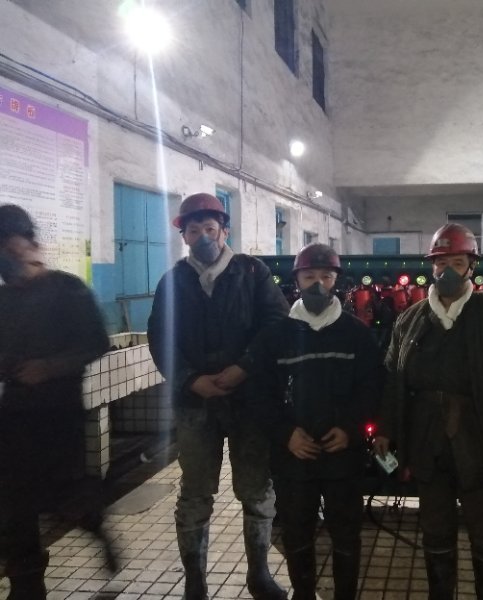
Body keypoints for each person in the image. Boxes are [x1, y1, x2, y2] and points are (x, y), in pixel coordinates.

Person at [374, 223, 483, 600]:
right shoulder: (410, 318)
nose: (447, 270)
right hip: (426, 440)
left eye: (457, 262)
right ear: (431, 267)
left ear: (472, 267)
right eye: (441, 262)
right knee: (434, 529)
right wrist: (386, 428)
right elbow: (392, 378)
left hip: (478, 440)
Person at [148, 193, 289, 600]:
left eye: (210, 228)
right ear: (184, 236)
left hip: (249, 400)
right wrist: (191, 380)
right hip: (196, 404)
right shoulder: (173, 281)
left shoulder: (253, 272)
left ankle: (259, 574)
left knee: (256, 489)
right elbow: (161, 337)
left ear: (225, 231)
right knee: (195, 492)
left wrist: (244, 368)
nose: (203, 236)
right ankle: (195, 582)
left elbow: (276, 323)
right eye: (194, 230)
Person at [0, 204, 112, 599]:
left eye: (8, 244)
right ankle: (27, 588)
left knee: (66, 497)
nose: (5, 255)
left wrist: (49, 367)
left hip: (59, 416)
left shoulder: (67, 289)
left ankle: (96, 526)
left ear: (28, 241)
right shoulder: (3, 300)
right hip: (13, 418)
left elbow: (97, 343)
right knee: (14, 508)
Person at [262, 243, 384, 600]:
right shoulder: (276, 336)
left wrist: (350, 428)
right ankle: (304, 594)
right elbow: (259, 395)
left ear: (337, 281)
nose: (318, 284)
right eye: (309, 276)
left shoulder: (356, 334)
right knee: (296, 532)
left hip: (342, 457)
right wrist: (286, 434)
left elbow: (372, 386)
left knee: (346, 533)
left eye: (326, 276)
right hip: (293, 459)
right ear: (296, 280)